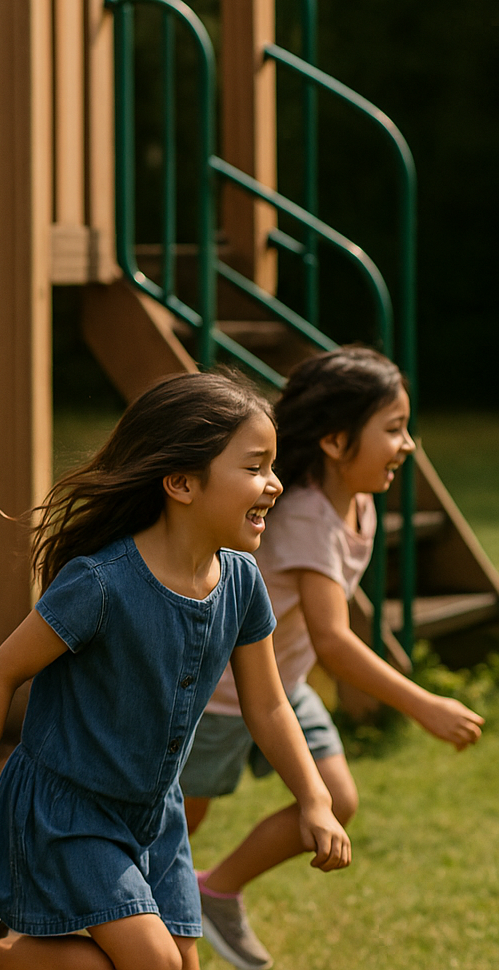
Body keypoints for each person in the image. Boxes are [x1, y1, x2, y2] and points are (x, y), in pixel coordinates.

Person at [0, 372, 353, 970]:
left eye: (272, 466)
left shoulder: (241, 583)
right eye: (255, 467)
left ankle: (7, 958)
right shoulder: (101, 583)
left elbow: (269, 705)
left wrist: (314, 798)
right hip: (67, 811)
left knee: (176, 964)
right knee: (153, 964)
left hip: (155, 815)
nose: (275, 485)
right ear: (181, 482)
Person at [180, 348, 483, 970]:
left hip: (281, 684)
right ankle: (123, 906)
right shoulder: (308, 522)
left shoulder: (359, 503)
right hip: (224, 695)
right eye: (394, 429)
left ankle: (216, 891)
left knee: (335, 797)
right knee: (177, 823)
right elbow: (335, 641)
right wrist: (424, 703)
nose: (409, 445)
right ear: (339, 442)